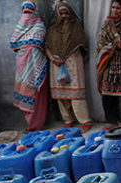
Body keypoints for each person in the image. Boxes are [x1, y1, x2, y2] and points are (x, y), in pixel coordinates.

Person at [45, 2, 93, 131]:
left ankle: (85, 120)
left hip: (73, 61)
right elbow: (47, 46)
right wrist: (53, 59)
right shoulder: (52, 30)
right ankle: (68, 119)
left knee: (76, 93)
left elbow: (82, 44)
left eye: (66, 13)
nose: (64, 16)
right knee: (61, 94)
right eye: (61, 14)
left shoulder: (76, 27)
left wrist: (68, 54)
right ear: (57, 15)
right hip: (56, 63)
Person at [10, 0, 49, 132]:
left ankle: (35, 124)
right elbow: (14, 43)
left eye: (28, 12)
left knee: (35, 94)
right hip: (26, 65)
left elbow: (14, 43)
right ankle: (32, 124)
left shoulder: (29, 25)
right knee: (31, 94)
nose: (27, 16)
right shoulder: (37, 24)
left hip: (33, 64)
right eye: (25, 13)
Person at [97, 0, 121, 127]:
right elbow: (101, 45)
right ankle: (112, 121)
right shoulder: (105, 24)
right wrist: (113, 46)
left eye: (118, 8)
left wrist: (114, 30)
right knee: (107, 94)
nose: (114, 10)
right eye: (113, 7)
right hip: (109, 62)